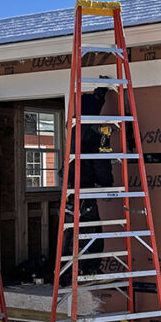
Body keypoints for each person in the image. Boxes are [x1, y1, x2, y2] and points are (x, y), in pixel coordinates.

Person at [62, 88, 114, 278]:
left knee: (70, 231)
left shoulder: (73, 125)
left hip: (69, 186)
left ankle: (66, 273)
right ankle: (89, 269)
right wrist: (107, 184)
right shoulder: (98, 129)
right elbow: (101, 160)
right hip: (84, 188)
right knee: (92, 231)